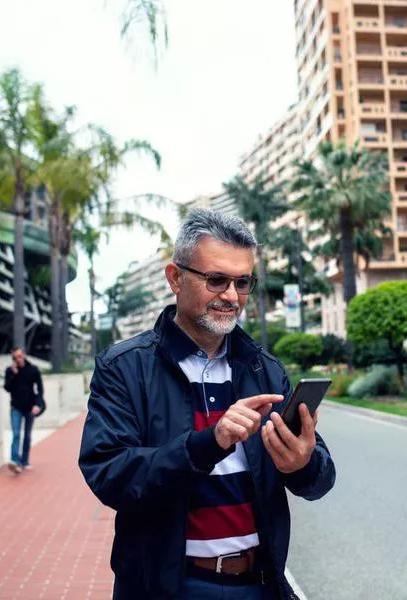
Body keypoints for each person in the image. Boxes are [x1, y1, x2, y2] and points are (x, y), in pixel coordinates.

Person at [79, 210, 336, 599]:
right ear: (175, 278)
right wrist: (208, 443)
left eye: (243, 282)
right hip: (168, 588)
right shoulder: (125, 368)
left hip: (258, 585)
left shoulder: (264, 370)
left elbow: (319, 479)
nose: (231, 296)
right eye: (216, 280)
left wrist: (303, 463)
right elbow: (110, 474)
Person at [3, 347, 43, 473]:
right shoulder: (10, 371)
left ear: (24, 355)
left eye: (20, 356)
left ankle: (24, 461)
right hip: (16, 407)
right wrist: (13, 375)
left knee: (27, 436)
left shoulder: (33, 369)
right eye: (15, 357)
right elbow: (7, 388)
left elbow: (40, 389)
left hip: (30, 407)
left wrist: (38, 404)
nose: (18, 359)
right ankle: (15, 462)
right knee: (16, 434)